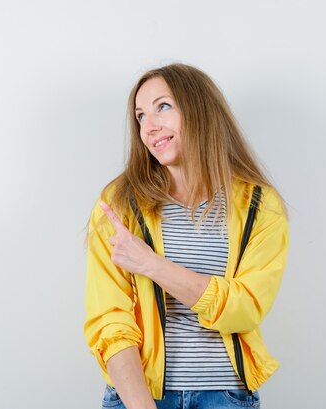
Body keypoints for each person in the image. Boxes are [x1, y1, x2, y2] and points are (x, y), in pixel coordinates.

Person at [83, 63, 289, 409]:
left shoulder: (258, 206)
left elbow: (246, 308)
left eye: (162, 106)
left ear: (199, 109)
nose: (149, 127)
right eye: (140, 116)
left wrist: (152, 265)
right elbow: (109, 322)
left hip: (225, 397)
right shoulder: (119, 204)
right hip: (140, 398)